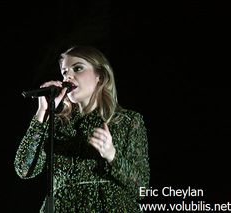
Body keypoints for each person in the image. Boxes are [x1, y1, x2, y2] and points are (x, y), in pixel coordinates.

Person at [14, 45, 150, 212]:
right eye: (64, 72)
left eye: (77, 68)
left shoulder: (127, 121)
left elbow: (141, 187)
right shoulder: (55, 124)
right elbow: (25, 169)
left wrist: (112, 155)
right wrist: (43, 112)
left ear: (99, 76)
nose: (68, 76)